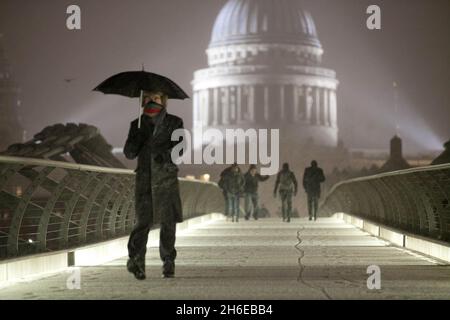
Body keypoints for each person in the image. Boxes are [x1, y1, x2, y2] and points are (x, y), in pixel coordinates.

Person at [123, 90, 184, 280]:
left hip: (166, 179)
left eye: (156, 98)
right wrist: (138, 137)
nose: (152, 101)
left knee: (168, 222)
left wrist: (162, 155)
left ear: (163, 100)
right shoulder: (137, 124)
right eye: (148, 98)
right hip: (145, 180)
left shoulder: (175, 122)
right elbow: (129, 154)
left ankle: (168, 261)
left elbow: (180, 148)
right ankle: (136, 261)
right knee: (143, 222)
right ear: (142, 100)